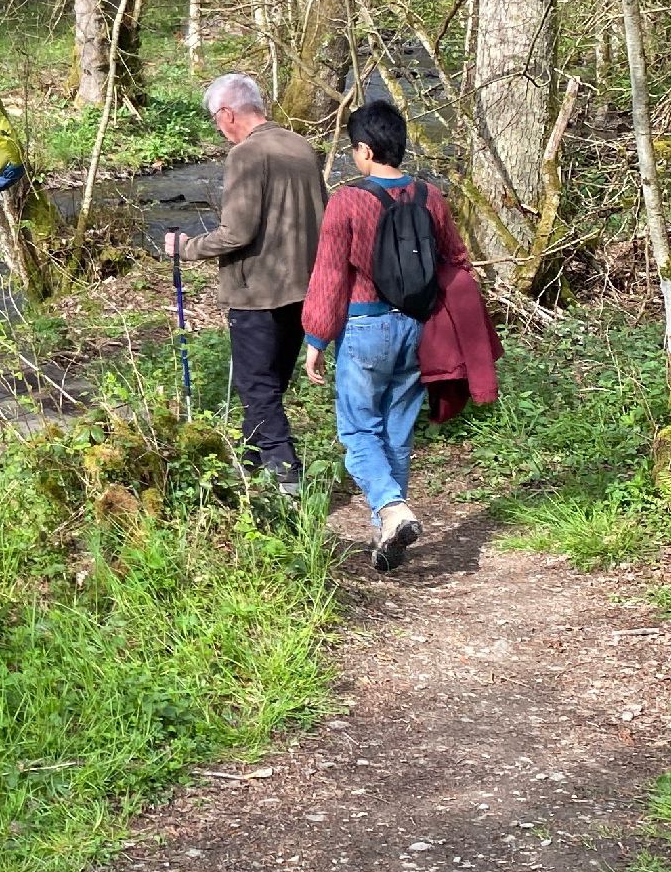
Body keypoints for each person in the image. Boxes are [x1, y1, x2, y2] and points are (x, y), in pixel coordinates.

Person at [300, 95, 470, 571]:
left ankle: (392, 509)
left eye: (354, 149)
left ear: (366, 150)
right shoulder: (431, 197)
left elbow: (330, 274)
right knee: (396, 432)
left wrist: (316, 338)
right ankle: (388, 532)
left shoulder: (348, 200)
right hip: (418, 327)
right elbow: (455, 260)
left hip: (365, 327)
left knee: (358, 431)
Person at [162, 73, 326, 501]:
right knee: (269, 385)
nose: (218, 128)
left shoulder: (246, 155)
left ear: (227, 114)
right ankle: (248, 465)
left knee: (257, 386)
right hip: (303, 287)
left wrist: (186, 248)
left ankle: (287, 475)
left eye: (215, 119)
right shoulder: (301, 146)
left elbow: (236, 232)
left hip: (257, 292)